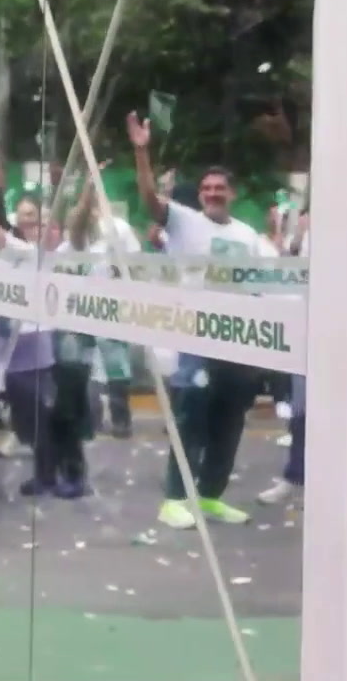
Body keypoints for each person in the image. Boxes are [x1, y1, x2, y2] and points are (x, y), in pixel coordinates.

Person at [127, 111, 274, 531]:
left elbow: (259, 289)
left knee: (227, 426)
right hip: (195, 341)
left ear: (232, 193)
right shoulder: (185, 221)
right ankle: (174, 499)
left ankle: (210, 496)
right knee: (190, 420)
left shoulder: (248, 236)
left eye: (219, 188)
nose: (212, 193)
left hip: (239, 346)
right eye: (207, 188)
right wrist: (142, 152)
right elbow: (149, 202)